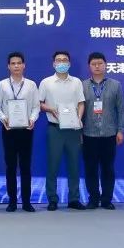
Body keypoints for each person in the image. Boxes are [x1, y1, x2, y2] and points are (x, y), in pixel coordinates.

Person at [38, 50, 86, 211]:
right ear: (54, 64)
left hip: (73, 129)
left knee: (74, 165)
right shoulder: (46, 82)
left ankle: (74, 199)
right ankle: (52, 199)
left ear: (69, 63)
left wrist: (78, 118)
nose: (61, 62)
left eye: (64, 60)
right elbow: (39, 103)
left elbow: (81, 103)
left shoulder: (77, 82)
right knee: (53, 165)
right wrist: (50, 109)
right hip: (55, 129)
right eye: (58, 60)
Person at [0, 51, 40, 212]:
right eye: (13, 63)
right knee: (11, 166)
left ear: (24, 65)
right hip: (8, 129)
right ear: (8, 66)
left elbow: (36, 107)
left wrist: (32, 119)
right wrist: (4, 119)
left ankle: (26, 202)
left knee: (26, 166)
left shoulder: (31, 85)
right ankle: (12, 201)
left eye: (19, 63)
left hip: (26, 129)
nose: (16, 66)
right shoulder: (2, 85)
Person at [82, 52, 124, 210]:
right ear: (89, 66)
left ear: (105, 65)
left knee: (108, 168)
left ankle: (107, 199)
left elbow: (121, 109)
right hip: (88, 134)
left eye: (100, 63)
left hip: (109, 133)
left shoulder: (115, 85)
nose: (97, 66)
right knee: (90, 168)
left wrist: (120, 130)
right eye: (94, 64)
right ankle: (93, 199)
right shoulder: (82, 86)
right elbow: (79, 110)